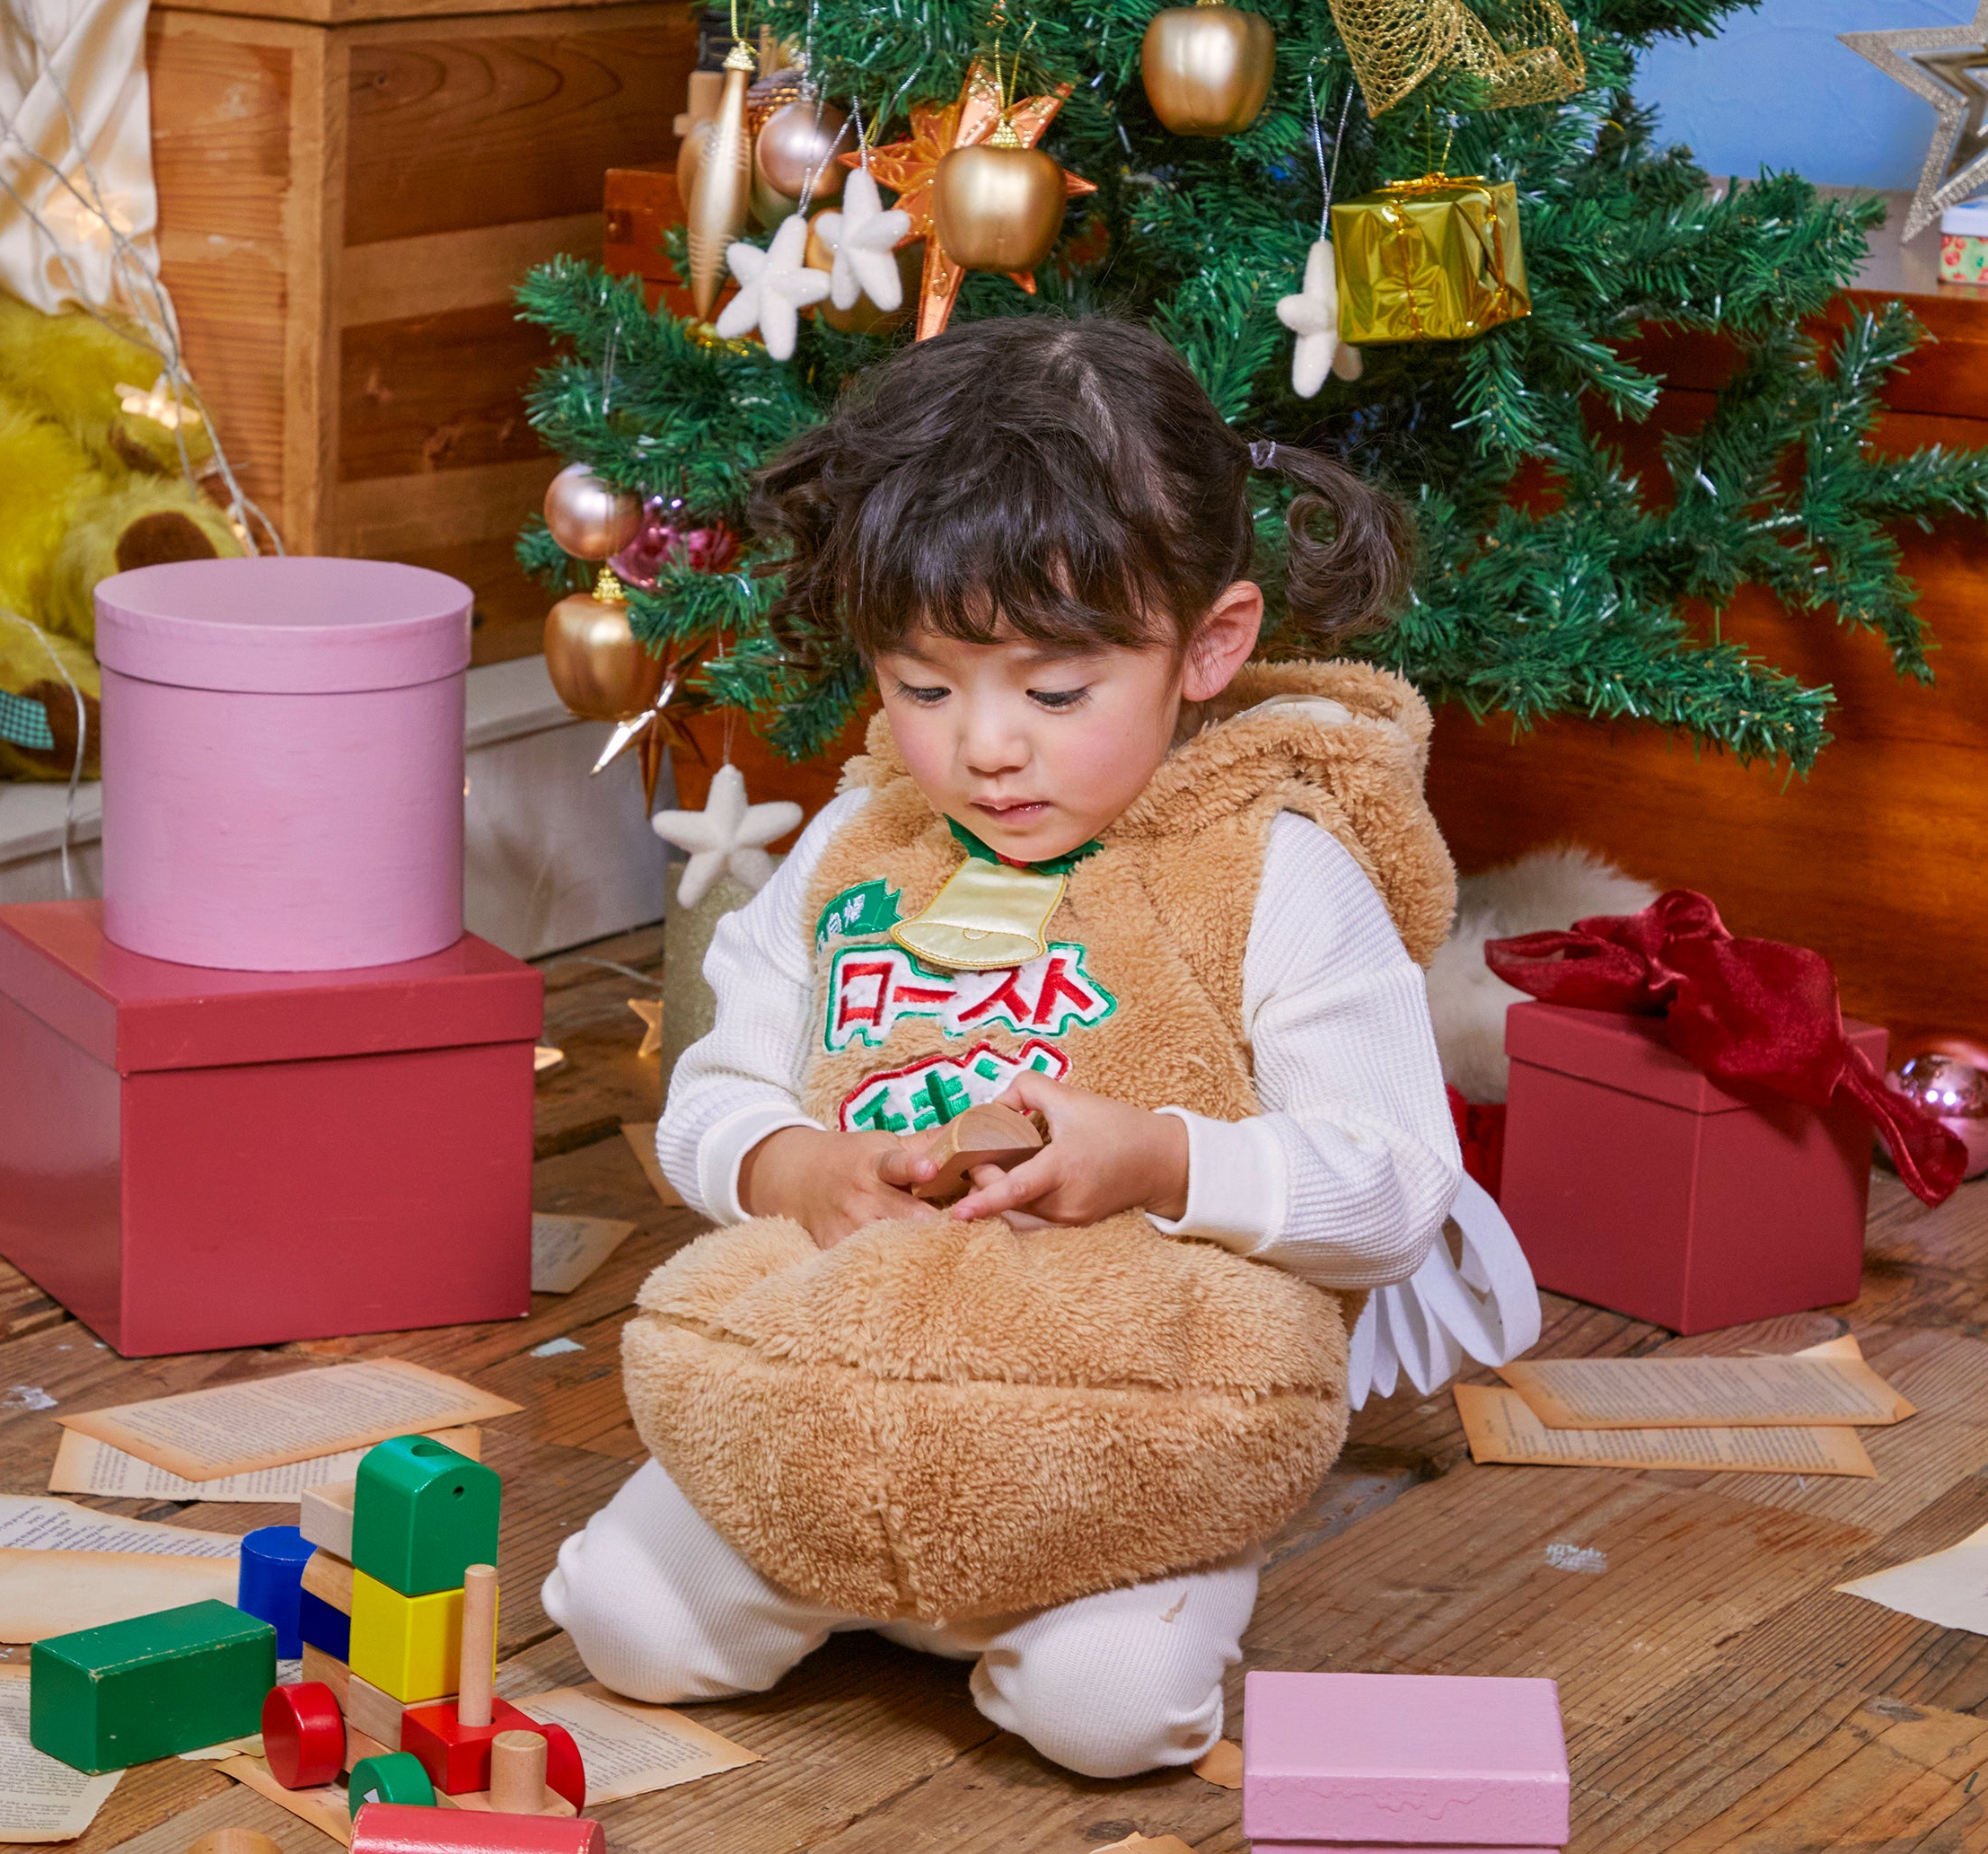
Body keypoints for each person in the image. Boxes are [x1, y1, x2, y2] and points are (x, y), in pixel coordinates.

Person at [544, 315, 1519, 1779]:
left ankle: (1122, 1582)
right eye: (924, 688)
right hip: (840, 1387)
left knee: (1107, 1715)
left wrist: (1158, 1160)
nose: (985, 747)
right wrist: (793, 1162)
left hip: (1111, 1438)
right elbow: (713, 1094)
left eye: (1054, 693)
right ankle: (849, 1565)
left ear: (1211, 647)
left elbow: (1392, 1190)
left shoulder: (1273, 870)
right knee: (619, 1626)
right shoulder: (853, 849)